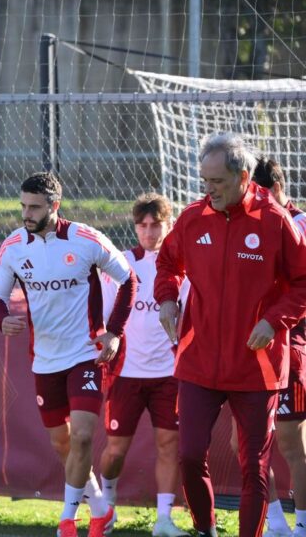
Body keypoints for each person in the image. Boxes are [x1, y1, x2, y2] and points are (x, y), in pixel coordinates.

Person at [156, 133, 306, 537]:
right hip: (198, 361)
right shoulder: (193, 217)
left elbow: (302, 283)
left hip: (256, 367)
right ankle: (205, 529)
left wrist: (273, 321)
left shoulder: (275, 221)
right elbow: (168, 264)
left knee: (253, 468)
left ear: (243, 177)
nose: (208, 190)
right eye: (204, 181)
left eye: (217, 182)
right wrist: (168, 299)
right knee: (189, 455)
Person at [0, 171, 136, 537]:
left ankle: (67, 520)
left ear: (55, 206)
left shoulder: (85, 238)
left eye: (34, 207)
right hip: (45, 359)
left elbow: (128, 279)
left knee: (83, 436)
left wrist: (114, 332)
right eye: (23, 205)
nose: (26, 213)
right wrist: (3, 319)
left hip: (86, 353)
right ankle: (99, 508)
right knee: (63, 443)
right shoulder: (13, 246)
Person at [96, 193, 188, 537]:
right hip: (126, 373)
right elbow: (105, 319)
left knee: (169, 445)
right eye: (142, 225)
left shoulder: (183, 266)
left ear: (168, 225)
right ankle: (106, 504)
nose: (149, 232)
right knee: (116, 449)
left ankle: (164, 520)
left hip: (169, 374)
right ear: (135, 227)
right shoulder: (121, 265)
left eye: (156, 225)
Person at [224, 156, 306, 537]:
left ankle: (302, 524)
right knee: (244, 442)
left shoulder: (299, 224)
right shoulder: (244, 224)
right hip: (247, 349)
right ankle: (275, 522)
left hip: (291, 346)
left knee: (290, 440)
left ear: (274, 189)